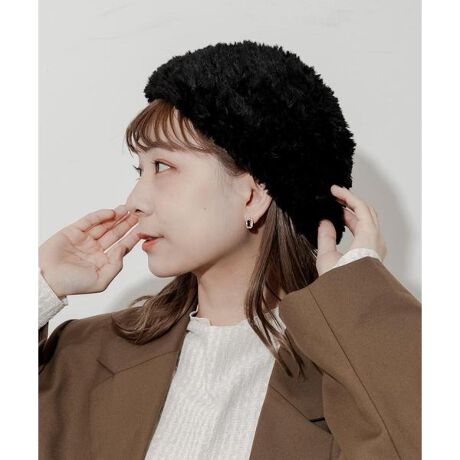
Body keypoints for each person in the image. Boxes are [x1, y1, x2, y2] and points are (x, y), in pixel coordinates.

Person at [39, 41, 421, 460]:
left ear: (253, 195)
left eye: (163, 166)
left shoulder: (346, 376)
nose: (135, 200)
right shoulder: (84, 354)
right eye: (139, 170)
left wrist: (357, 296)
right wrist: (41, 288)